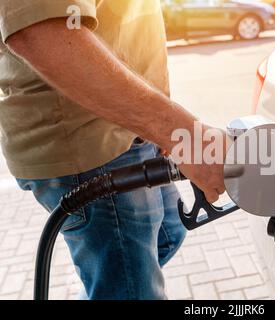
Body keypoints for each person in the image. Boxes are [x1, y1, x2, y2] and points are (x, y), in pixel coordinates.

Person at [0, 0, 226, 299]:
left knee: (166, 236)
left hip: (129, 132)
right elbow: (43, 32)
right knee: (132, 291)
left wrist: (157, 128)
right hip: (88, 147)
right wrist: (183, 135)